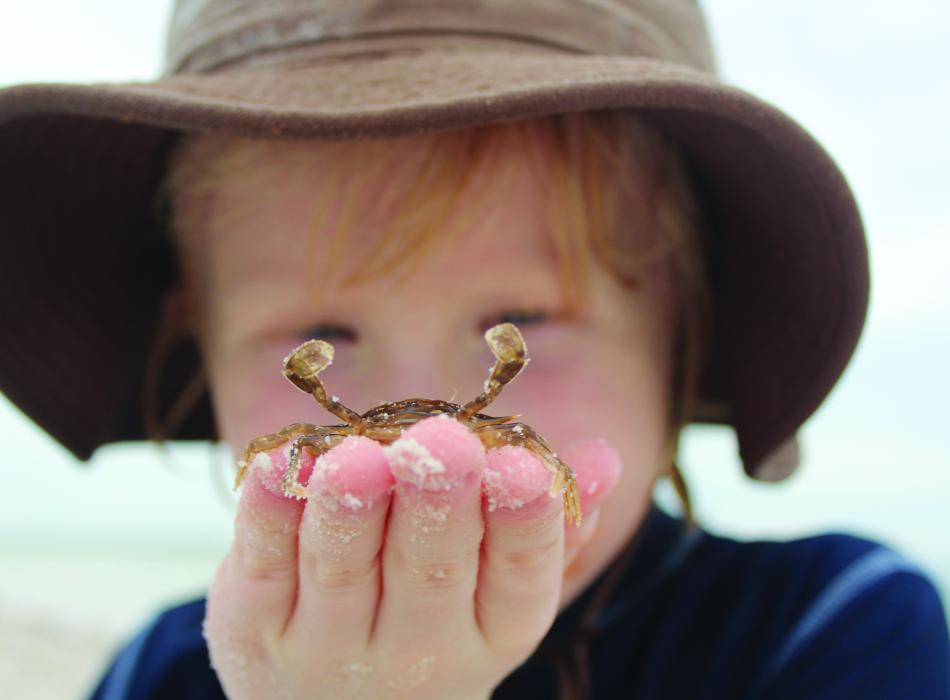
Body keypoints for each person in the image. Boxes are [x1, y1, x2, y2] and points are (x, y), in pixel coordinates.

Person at [1, 1, 947, 698]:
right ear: (196, 347)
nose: (420, 422)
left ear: (683, 343)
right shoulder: (161, 672)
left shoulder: (833, 628)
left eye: (519, 323)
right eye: (321, 336)